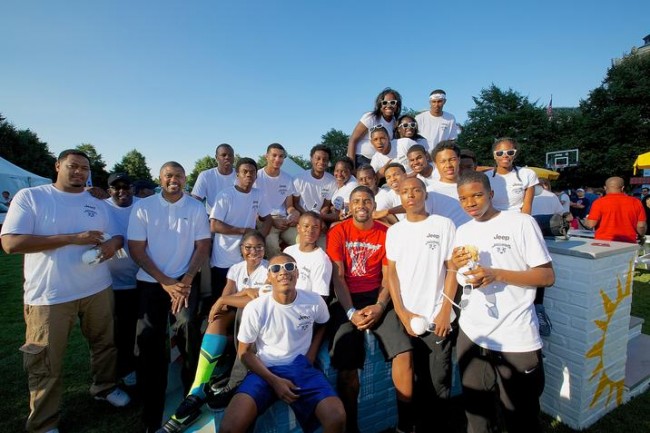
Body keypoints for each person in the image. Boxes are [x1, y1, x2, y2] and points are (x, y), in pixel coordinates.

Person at [1, 149, 130, 433]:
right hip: (49, 295)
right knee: (46, 360)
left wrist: (113, 244)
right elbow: (11, 243)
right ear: (58, 166)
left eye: (84, 168)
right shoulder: (33, 197)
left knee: (104, 344)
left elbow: (117, 233)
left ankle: (105, 387)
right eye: (73, 166)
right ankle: (44, 422)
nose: (79, 173)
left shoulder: (97, 202)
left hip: (97, 288)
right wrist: (72, 239)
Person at [452, 171, 555, 433]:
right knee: (477, 415)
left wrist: (497, 274)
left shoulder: (520, 223)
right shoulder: (463, 230)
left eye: (477, 195)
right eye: (463, 198)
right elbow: (465, 278)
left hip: (515, 333)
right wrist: (460, 269)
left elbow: (546, 276)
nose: (471, 203)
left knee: (520, 416)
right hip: (473, 331)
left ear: (491, 194)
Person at [218, 253, 346, 433]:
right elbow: (244, 353)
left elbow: (323, 323)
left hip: (301, 367)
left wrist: (310, 355)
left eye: (289, 267)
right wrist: (274, 381)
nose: (283, 272)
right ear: (268, 277)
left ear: (297, 273)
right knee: (229, 428)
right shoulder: (255, 308)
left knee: (337, 417)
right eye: (276, 269)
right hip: (265, 370)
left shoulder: (314, 301)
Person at [128, 161, 211, 432]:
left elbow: (202, 246)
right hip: (152, 284)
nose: (173, 180)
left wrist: (186, 281)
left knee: (188, 330)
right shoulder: (143, 207)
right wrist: (166, 283)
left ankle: (190, 397)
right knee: (150, 340)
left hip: (185, 282)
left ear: (185, 179)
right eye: (168, 175)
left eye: (178, 175)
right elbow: (137, 249)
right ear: (160, 178)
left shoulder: (196, 207)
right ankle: (150, 405)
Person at [159, 230, 269, 433]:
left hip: (259, 322)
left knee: (246, 310)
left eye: (259, 247)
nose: (253, 252)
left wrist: (225, 299)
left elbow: (254, 302)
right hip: (237, 316)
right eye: (248, 248)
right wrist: (231, 298)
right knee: (216, 320)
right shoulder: (236, 268)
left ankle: (234, 378)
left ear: (265, 249)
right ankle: (197, 389)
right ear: (241, 250)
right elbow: (227, 301)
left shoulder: (268, 269)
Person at [326, 186, 413, 433]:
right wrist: (351, 312)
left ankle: (405, 425)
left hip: (377, 296)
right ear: (349, 206)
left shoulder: (387, 233)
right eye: (356, 201)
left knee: (404, 353)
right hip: (347, 298)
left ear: (374, 205)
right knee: (346, 368)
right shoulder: (338, 231)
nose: (361, 205)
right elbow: (338, 278)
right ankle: (351, 427)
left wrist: (380, 305)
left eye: (366, 200)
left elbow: (388, 277)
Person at [386, 177, 457, 431]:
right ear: (400, 198)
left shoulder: (444, 225)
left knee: (437, 383)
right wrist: (402, 313)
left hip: (437, 316)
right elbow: (391, 274)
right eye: (405, 192)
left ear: (425, 194)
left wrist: (445, 310)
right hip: (407, 318)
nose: (411, 195)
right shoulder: (394, 231)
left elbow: (451, 269)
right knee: (410, 378)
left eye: (416, 190)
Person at [210, 158, 272, 303]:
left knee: (246, 298)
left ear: (256, 175)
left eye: (252, 172)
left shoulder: (259, 194)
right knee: (221, 300)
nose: (249, 175)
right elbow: (214, 225)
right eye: (245, 172)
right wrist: (243, 231)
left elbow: (268, 219)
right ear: (237, 174)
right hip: (224, 257)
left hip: (246, 256)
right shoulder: (225, 195)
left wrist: (260, 238)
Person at [104, 172, 141, 386]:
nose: (121, 191)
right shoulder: (101, 206)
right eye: (116, 188)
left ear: (132, 188)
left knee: (141, 328)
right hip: (113, 282)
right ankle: (125, 370)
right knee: (121, 330)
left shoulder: (142, 205)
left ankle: (140, 366)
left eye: (125, 187)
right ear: (109, 190)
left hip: (143, 278)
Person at [254, 143, 300, 257]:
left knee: (301, 240)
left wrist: (294, 213)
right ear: (266, 156)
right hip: (264, 220)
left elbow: (289, 206)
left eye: (281, 156)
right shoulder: (256, 177)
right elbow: (253, 208)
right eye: (274, 155)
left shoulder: (287, 178)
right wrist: (273, 221)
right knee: (271, 245)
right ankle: (277, 272)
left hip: (284, 221)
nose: (277, 159)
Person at [347, 88, 402, 168]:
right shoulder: (370, 117)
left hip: (379, 161)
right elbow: (353, 140)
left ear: (397, 106)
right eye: (385, 103)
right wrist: (351, 166)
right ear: (380, 105)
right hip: (361, 159)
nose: (389, 105)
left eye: (393, 102)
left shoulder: (395, 122)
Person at [284, 211, 332, 299]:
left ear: (320, 231)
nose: (310, 230)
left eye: (315, 227)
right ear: (298, 228)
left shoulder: (322, 260)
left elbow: (319, 297)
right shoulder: (288, 251)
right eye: (306, 226)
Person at [583, 177, 647, 243]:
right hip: (628, 243)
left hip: (603, 243)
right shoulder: (636, 202)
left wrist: (586, 221)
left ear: (605, 188)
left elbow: (591, 224)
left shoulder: (599, 202)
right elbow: (641, 226)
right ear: (622, 188)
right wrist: (641, 235)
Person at [484, 137, 539, 214]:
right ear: (494, 156)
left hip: (519, 219)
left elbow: (527, 207)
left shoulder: (528, 174)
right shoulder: (485, 177)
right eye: (500, 153)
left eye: (510, 152)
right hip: (493, 220)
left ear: (515, 155)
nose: (505, 156)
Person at [293, 144, 339, 226]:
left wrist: (319, 217)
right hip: (301, 216)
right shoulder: (299, 179)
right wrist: (307, 216)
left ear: (328, 162)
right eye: (318, 158)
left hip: (319, 218)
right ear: (311, 159)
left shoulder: (332, 181)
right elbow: (295, 203)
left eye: (325, 159)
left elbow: (326, 205)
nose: (321, 162)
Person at [191, 143, 237, 211]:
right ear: (216, 158)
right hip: (212, 218)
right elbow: (195, 200)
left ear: (233, 158)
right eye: (223, 155)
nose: (227, 157)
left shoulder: (240, 175)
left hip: (236, 218)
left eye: (230, 155)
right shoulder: (205, 175)